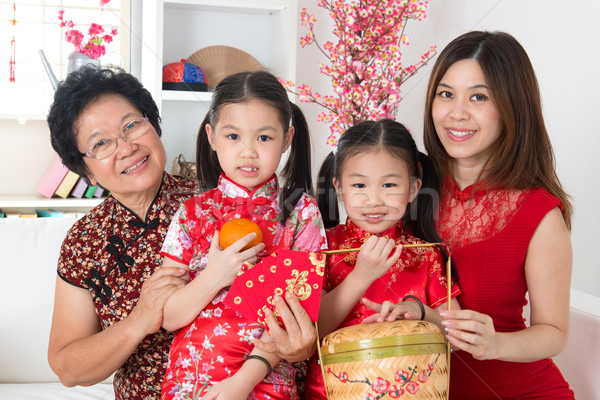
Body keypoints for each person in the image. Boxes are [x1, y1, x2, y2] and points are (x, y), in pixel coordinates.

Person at [46, 66, 321, 400]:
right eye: (101, 143)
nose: (126, 146)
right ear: (84, 169)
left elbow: (307, 300)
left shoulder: (211, 199)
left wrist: (299, 343)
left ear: (153, 123)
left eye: (132, 125)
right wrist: (140, 320)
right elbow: (67, 367)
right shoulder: (85, 241)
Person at [423, 31, 575, 399]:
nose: (457, 113)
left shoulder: (539, 213)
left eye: (479, 97)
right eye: (446, 94)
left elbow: (553, 332)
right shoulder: (406, 184)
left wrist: (495, 345)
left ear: (512, 107)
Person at [159, 70, 327, 400]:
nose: (248, 151)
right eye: (233, 136)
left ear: (287, 138)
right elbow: (169, 317)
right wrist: (215, 275)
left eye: (264, 138)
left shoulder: (299, 213)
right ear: (211, 136)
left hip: (265, 377)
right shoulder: (192, 213)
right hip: (191, 378)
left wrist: (241, 382)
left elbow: (300, 315)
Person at [303, 119, 461, 399]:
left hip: (413, 389)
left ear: (413, 188)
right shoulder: (323, 246)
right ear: (339, 188)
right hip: (331, 391)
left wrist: (421, 312)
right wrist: (361, 275)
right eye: (360, 185)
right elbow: (311, 332)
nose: (374, 199)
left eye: (389, 184)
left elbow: (458, 334)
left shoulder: (426, 253)